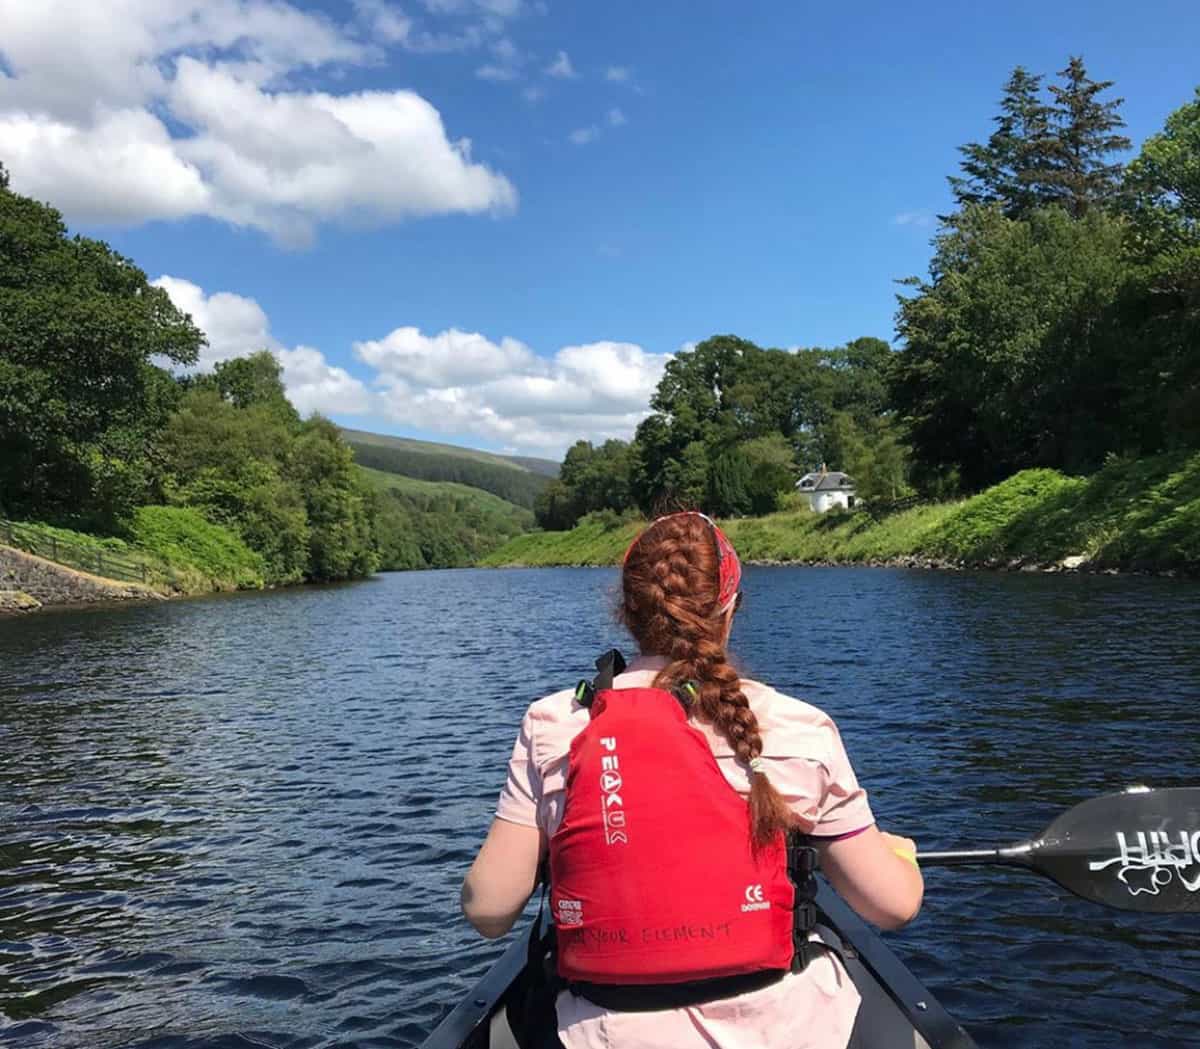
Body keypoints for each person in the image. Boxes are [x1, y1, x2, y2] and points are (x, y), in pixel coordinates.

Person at [462, 512, 923, 1049]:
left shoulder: (553, 722)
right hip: (795, 1029)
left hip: (603, 1033)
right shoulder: (800, 726)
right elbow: (892, 907)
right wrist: (903, 858)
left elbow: (489, 909)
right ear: (731, 611)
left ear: (626, 611)